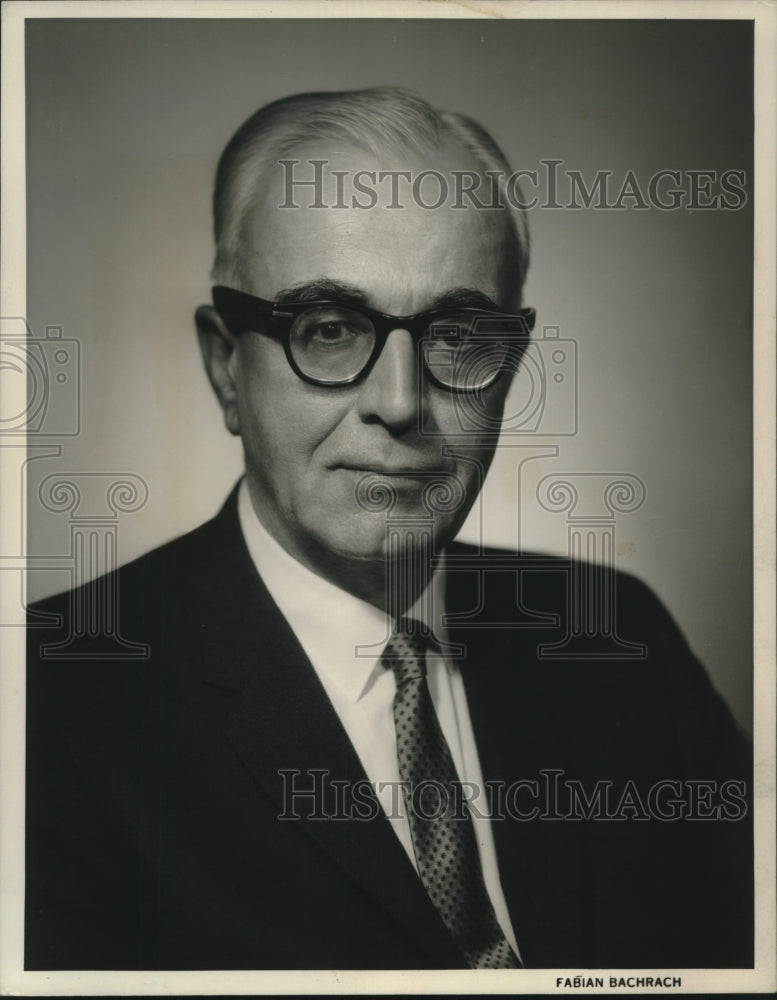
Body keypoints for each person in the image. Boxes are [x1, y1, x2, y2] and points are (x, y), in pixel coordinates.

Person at [25, 87, 752, 971]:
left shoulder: (619, 639)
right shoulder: (44, 709)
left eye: (456, 334)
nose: (401, 403)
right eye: (329, 329)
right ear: (225, 367)